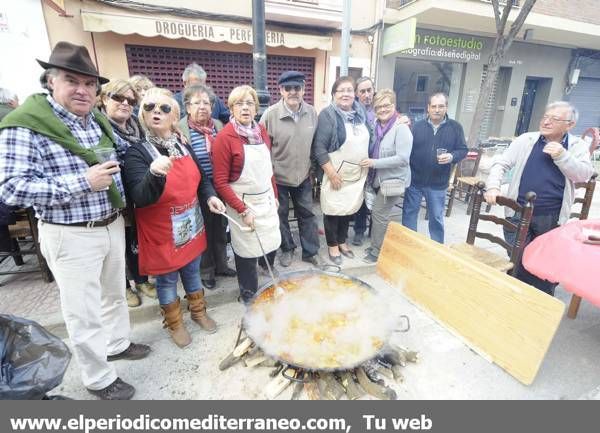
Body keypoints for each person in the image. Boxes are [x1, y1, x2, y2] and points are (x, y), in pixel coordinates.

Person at [0, 41, 150, 400]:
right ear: (51, 81)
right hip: (70, 234)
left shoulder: (96, 119)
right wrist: (82, 182)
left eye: (89, 83)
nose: (82, 89)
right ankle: (98, 378)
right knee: (83, 312)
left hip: (110, 222)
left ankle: (116, 344)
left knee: (114, 295)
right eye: (72, 80)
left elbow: (124, 153)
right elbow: (11, 189)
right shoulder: (25, 125)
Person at [123, 87, 225, 347]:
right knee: (167, 280)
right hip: (161, 230)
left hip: (190, 223)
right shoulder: (137, 152)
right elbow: (139, 196)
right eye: (149, 107)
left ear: (174, 115)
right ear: (143, 114)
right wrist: (154, 173)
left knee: (192, 270)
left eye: (164, 108)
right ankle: (175, 323)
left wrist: (210, 196)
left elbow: (201, 179)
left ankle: (199, 313)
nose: (156, 111)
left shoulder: (182, 143)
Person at [485, 101, 593, 295]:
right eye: (545, 117)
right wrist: (493, 186)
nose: (547, 122)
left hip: (551, 216)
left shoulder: (577, 146)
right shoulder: (527, 140)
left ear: (569, 125)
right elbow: (501, 163)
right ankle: (528, 296)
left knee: (544, 261)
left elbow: (584, 175)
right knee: (519, 258)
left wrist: (562, 156)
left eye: (555, 119)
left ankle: (536, 298)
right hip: (517, 211)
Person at [212, 85, 281, 304]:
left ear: (256, 108)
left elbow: (268, 169)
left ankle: (268, 280)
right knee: (247, 252)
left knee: (270, 241)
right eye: (239, 104)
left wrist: (275, 195)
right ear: (231, 108)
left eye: (249, 103)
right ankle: (249, 296)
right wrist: (242, 210)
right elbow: (220, 183)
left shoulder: (261, 131)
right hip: (242, 202)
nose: (245, 108)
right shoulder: (225, 138)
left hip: (266, 198)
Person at [97, 79, 157, 307]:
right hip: (113, 195)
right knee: (116, 245)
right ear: (103, 99)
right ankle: (124, 287)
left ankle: (141, 280)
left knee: (133, 240)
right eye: (118, 98)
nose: (125, 103)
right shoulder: (99, 126)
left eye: (130, 100)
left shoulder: (136, 125)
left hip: (135, 193)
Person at [260, 71, 321, 268]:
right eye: (288, 88)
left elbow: (315, 144)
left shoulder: (311, 112)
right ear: (281, 91)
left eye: (297, 88)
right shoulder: (270, 114)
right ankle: (287, 249)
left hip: (303, 176)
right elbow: (261, 147)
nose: (293, 92)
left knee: (308, 215)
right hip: (278, 178)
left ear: (303, 90)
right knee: (280, 216)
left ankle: (310, 252)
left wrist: (312, 169)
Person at [179, 84, 236, 289]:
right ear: (187, 107)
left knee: (221, 227)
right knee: (202, 231)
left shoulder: (219, 126)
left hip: (220, 185)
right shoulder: (180, 129)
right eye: (197, 102)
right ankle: (206, 270)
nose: (202, 107)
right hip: (195, 189)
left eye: (206, 102)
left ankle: (222, 264)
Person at [312, 76, 372, 265]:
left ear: (354, 94)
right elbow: (319, 148)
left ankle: (342, 241)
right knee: (333, 209)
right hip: (335, 172)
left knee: (348, 208)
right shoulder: (327, 115)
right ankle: (332, 245)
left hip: (355, 174)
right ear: (334, 94)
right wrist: (331, 173)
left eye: (349, 90)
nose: (346, 94)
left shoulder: (360, 112)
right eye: (341, 90)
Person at [402, 92, 467, 243]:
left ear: (446, 108)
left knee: (436, 218)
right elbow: (407, 150)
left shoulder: (455, 127)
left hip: (438, 184)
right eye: (434, 106)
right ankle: (409, 245)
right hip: (415, 181)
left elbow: (463, 150)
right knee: (409, 214)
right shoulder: (417, 126)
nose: (437, 110)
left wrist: (451, 156)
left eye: (441, 106)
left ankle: (437, 248)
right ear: (428, 108)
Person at [359, 89, 413, 263]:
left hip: (393, 181)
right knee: (378, 214)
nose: (382, 109)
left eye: (386, 106)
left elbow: (402, 159)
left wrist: (374, 163)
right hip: (378, 179)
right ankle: (377, 244)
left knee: (379, 214)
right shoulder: (377, 125)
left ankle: (377, 251)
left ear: (394, 106)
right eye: (378, 107)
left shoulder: (401, 128)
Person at [351, 77, 376, 247]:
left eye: (369, 90)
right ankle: (359, 231)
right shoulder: (353, 111)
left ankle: (374, 230)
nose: (367, 94)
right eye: (362, 91)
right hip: (360, 162)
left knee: (377, 196)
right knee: (361, 198)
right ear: (357, 94)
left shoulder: (382, 107)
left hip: (379, 162)